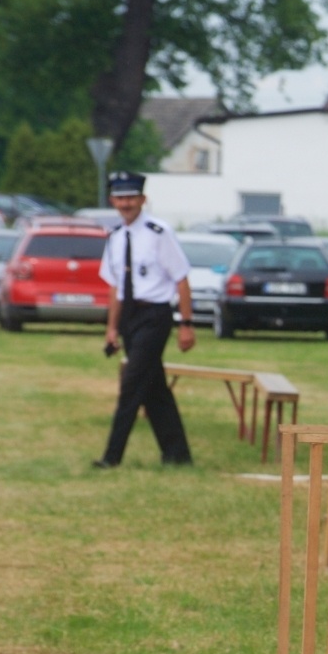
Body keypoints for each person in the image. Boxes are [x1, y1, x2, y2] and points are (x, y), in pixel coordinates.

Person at [93, 171, 195, 469]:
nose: (126, 204)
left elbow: (181, 279)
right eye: (120, 198)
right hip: (129, 317)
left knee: (132, 383)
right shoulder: (114, 237)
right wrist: (112, 328)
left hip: (155, 315)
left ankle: (112, 457)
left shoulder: (158, 233)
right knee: (154, 389)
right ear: (113, 200)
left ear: (142, 199)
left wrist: (186, 325)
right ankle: (177, 455)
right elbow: (115, 287)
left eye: (131, 197)